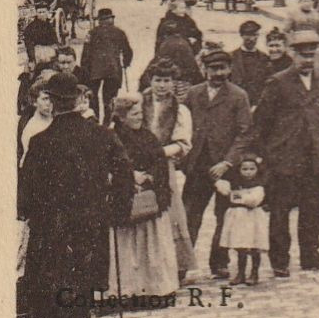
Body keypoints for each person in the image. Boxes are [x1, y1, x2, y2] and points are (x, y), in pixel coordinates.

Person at [20, 74, 133, 318]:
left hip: (51, 224)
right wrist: (118, 211)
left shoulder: (41, 141)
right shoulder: (101, 134)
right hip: (91, 221)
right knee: (82, 278)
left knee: (53, 282)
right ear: (76, 99)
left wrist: (28, 214)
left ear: (55, 103)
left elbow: (27, 187)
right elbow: (124, 173)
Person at [232, 29, 319, 277]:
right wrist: (267, 155)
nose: (308, 60)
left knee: (314, 209)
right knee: (280, 211)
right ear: (292, 54)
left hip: (314, 157)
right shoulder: (278, 82)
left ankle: (311, 255)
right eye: (303, 55)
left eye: (312, 55)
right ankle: (280, 261)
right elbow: (262, 122)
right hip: (285, 159)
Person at [102, 90, 181, 303]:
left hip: (149, 199)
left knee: (151, 247)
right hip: (124, 200)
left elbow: (159, 163)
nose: (138, 117)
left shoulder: (148, 136)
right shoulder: (110, 137)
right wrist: (129, 177)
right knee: (127, 248)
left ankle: (155, 289)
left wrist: (149, 178)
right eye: (133, 114)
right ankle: (127, 291)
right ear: (121, 116)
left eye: (139, 113)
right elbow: (105, 166)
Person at [183, 49, 253, 281]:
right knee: (189, 216)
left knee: (224, 216)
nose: (218, 73)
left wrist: (227, 162)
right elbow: (181, 123)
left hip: (225, 168)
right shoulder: (193, 94)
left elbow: (245, 134)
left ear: (229, 69)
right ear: (205, 69)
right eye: (213, 69)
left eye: (223, 68)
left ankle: (219, 262)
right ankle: (181, 264)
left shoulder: (238, 96)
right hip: (197, 166)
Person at [145, 61, 197, 281]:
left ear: (174, 83)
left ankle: (176, 266)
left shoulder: (180, 109)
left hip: (164, 166)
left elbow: (183, 144)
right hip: (140, 165)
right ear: (151, 81)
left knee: (170, 213)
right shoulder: (140, 102)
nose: (162, 86)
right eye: (158, 80)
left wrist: (159, 152)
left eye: (167, 81)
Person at [216, 154, 269, 286]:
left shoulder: (259, 185)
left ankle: (254, 272)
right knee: (241, 246)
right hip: (239, 218)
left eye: (252, 169)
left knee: (254, 245)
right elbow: (224, 190)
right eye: (244, 169)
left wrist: (237, 197)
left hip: (253, 218)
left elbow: (254, 200)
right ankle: (240, 273)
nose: (248, 172)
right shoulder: (235, 183)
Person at [80, 8, 132, 123]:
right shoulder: (119, 32)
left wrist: (84, 68)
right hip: (113, 70)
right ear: (111, 19)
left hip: (94, 71)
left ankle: (95, 120)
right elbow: (128, 51)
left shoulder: (92, 33)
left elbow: (85, 53)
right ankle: (107, 122)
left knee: (92, 97)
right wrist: (126, 63)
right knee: (109, 98)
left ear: (99, 21)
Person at [229, 20, 281, 105]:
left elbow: (269, 83)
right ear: (241, 35)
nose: (252, 39)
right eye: (248, 35)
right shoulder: (231, 57)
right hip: (236, 103)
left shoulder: (265, 58)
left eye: (254, 35)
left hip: (258, 104)